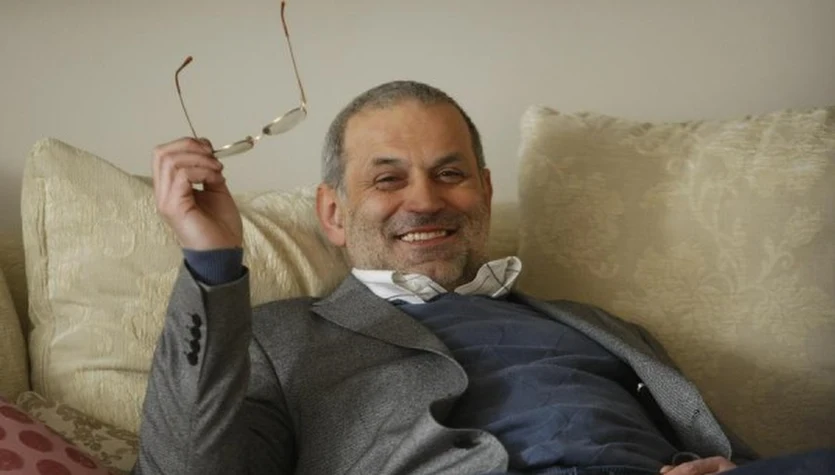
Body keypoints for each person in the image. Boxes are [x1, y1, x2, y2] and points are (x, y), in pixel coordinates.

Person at [134, 81, 834, 475]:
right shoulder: (277, 337)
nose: (425, 200)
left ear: (485, 192)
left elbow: (722, 446)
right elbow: (185, 467)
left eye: (450, 173)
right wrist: (211, 259)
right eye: (388, 179)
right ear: (333, 213)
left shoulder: (598, 326)